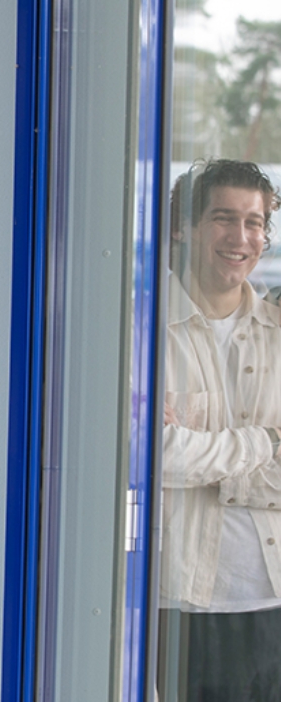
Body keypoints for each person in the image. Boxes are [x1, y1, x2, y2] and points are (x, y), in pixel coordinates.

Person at [160, 158, 281, 699]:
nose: (241, 237)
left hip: (273, 596)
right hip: (182, 602)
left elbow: (176, 459)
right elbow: (150, 457)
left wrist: (204, 458)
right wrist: (267, 442)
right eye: (223, 218)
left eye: (254, 222)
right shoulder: (142, 331)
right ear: (183, 227)